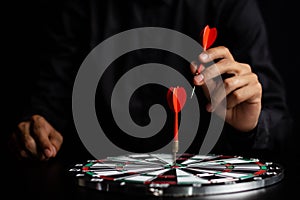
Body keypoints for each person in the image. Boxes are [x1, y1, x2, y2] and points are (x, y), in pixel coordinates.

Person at [8, 0, 293, 163]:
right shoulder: (80, 7)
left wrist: (252, 126)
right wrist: (39, 131)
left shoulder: (231, 6)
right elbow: (48, 106)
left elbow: (280, 126)